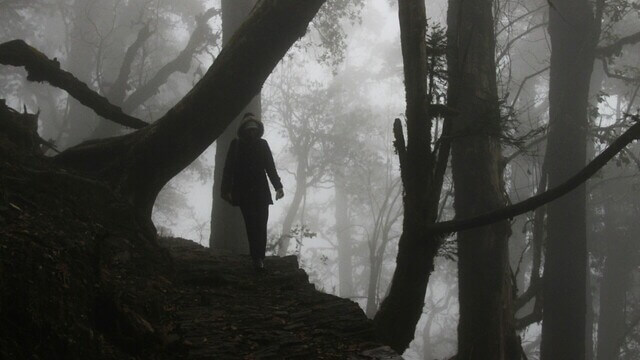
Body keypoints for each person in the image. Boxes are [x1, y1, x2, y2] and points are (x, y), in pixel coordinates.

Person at [221, 113, 284, 271]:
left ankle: (259, 258)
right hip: (244, 193)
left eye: (254, 129)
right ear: (243, 130)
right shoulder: (235, 145)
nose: (251, 132)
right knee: (251, 225)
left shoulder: (263, 145)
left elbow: (270, 167)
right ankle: (256, 258)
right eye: (248, 129)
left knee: (261, 225)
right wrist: (226, 190)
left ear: (258, 130)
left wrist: (278, 187)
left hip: (261, 193)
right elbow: (228, 169)